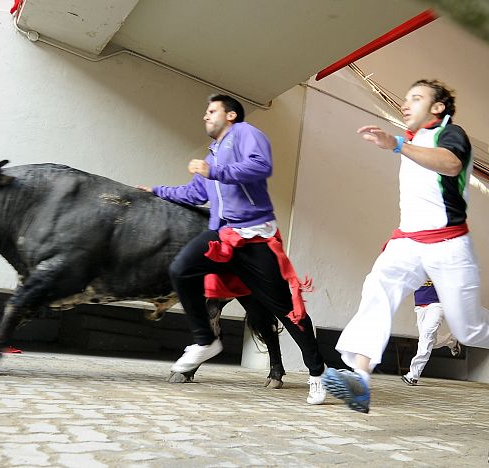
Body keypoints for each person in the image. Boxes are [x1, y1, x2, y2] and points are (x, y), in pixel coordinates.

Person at [137, 94, 327, 405]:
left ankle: (318, 373)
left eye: (211, 111)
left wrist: (214, 172)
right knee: (180, 269)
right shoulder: (211, 155)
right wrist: (156, 191)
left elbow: (259, 166)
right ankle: (205, 341)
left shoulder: (246, 134)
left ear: (231, 115)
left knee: (286, 311)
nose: (205, 117)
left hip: (253, 237)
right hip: (222, 236)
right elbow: (195, 192)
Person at [323, 79, 489, 413]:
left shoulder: (449, 134)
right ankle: (359, 378)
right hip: (408, 240)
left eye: (416, 98)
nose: (405, 103)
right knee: (377, 289)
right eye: (406, 97)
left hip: (448, 243)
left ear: (437, 107)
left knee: (468, 329)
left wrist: (397, 144)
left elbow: (451, 164)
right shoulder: (413, 141)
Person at [402, 281, 463, 386]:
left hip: (437, 305)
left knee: (427, 336)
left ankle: (413, 375)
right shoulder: (417, 267)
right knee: (432, 342)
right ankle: (452, 341)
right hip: (420, 306)